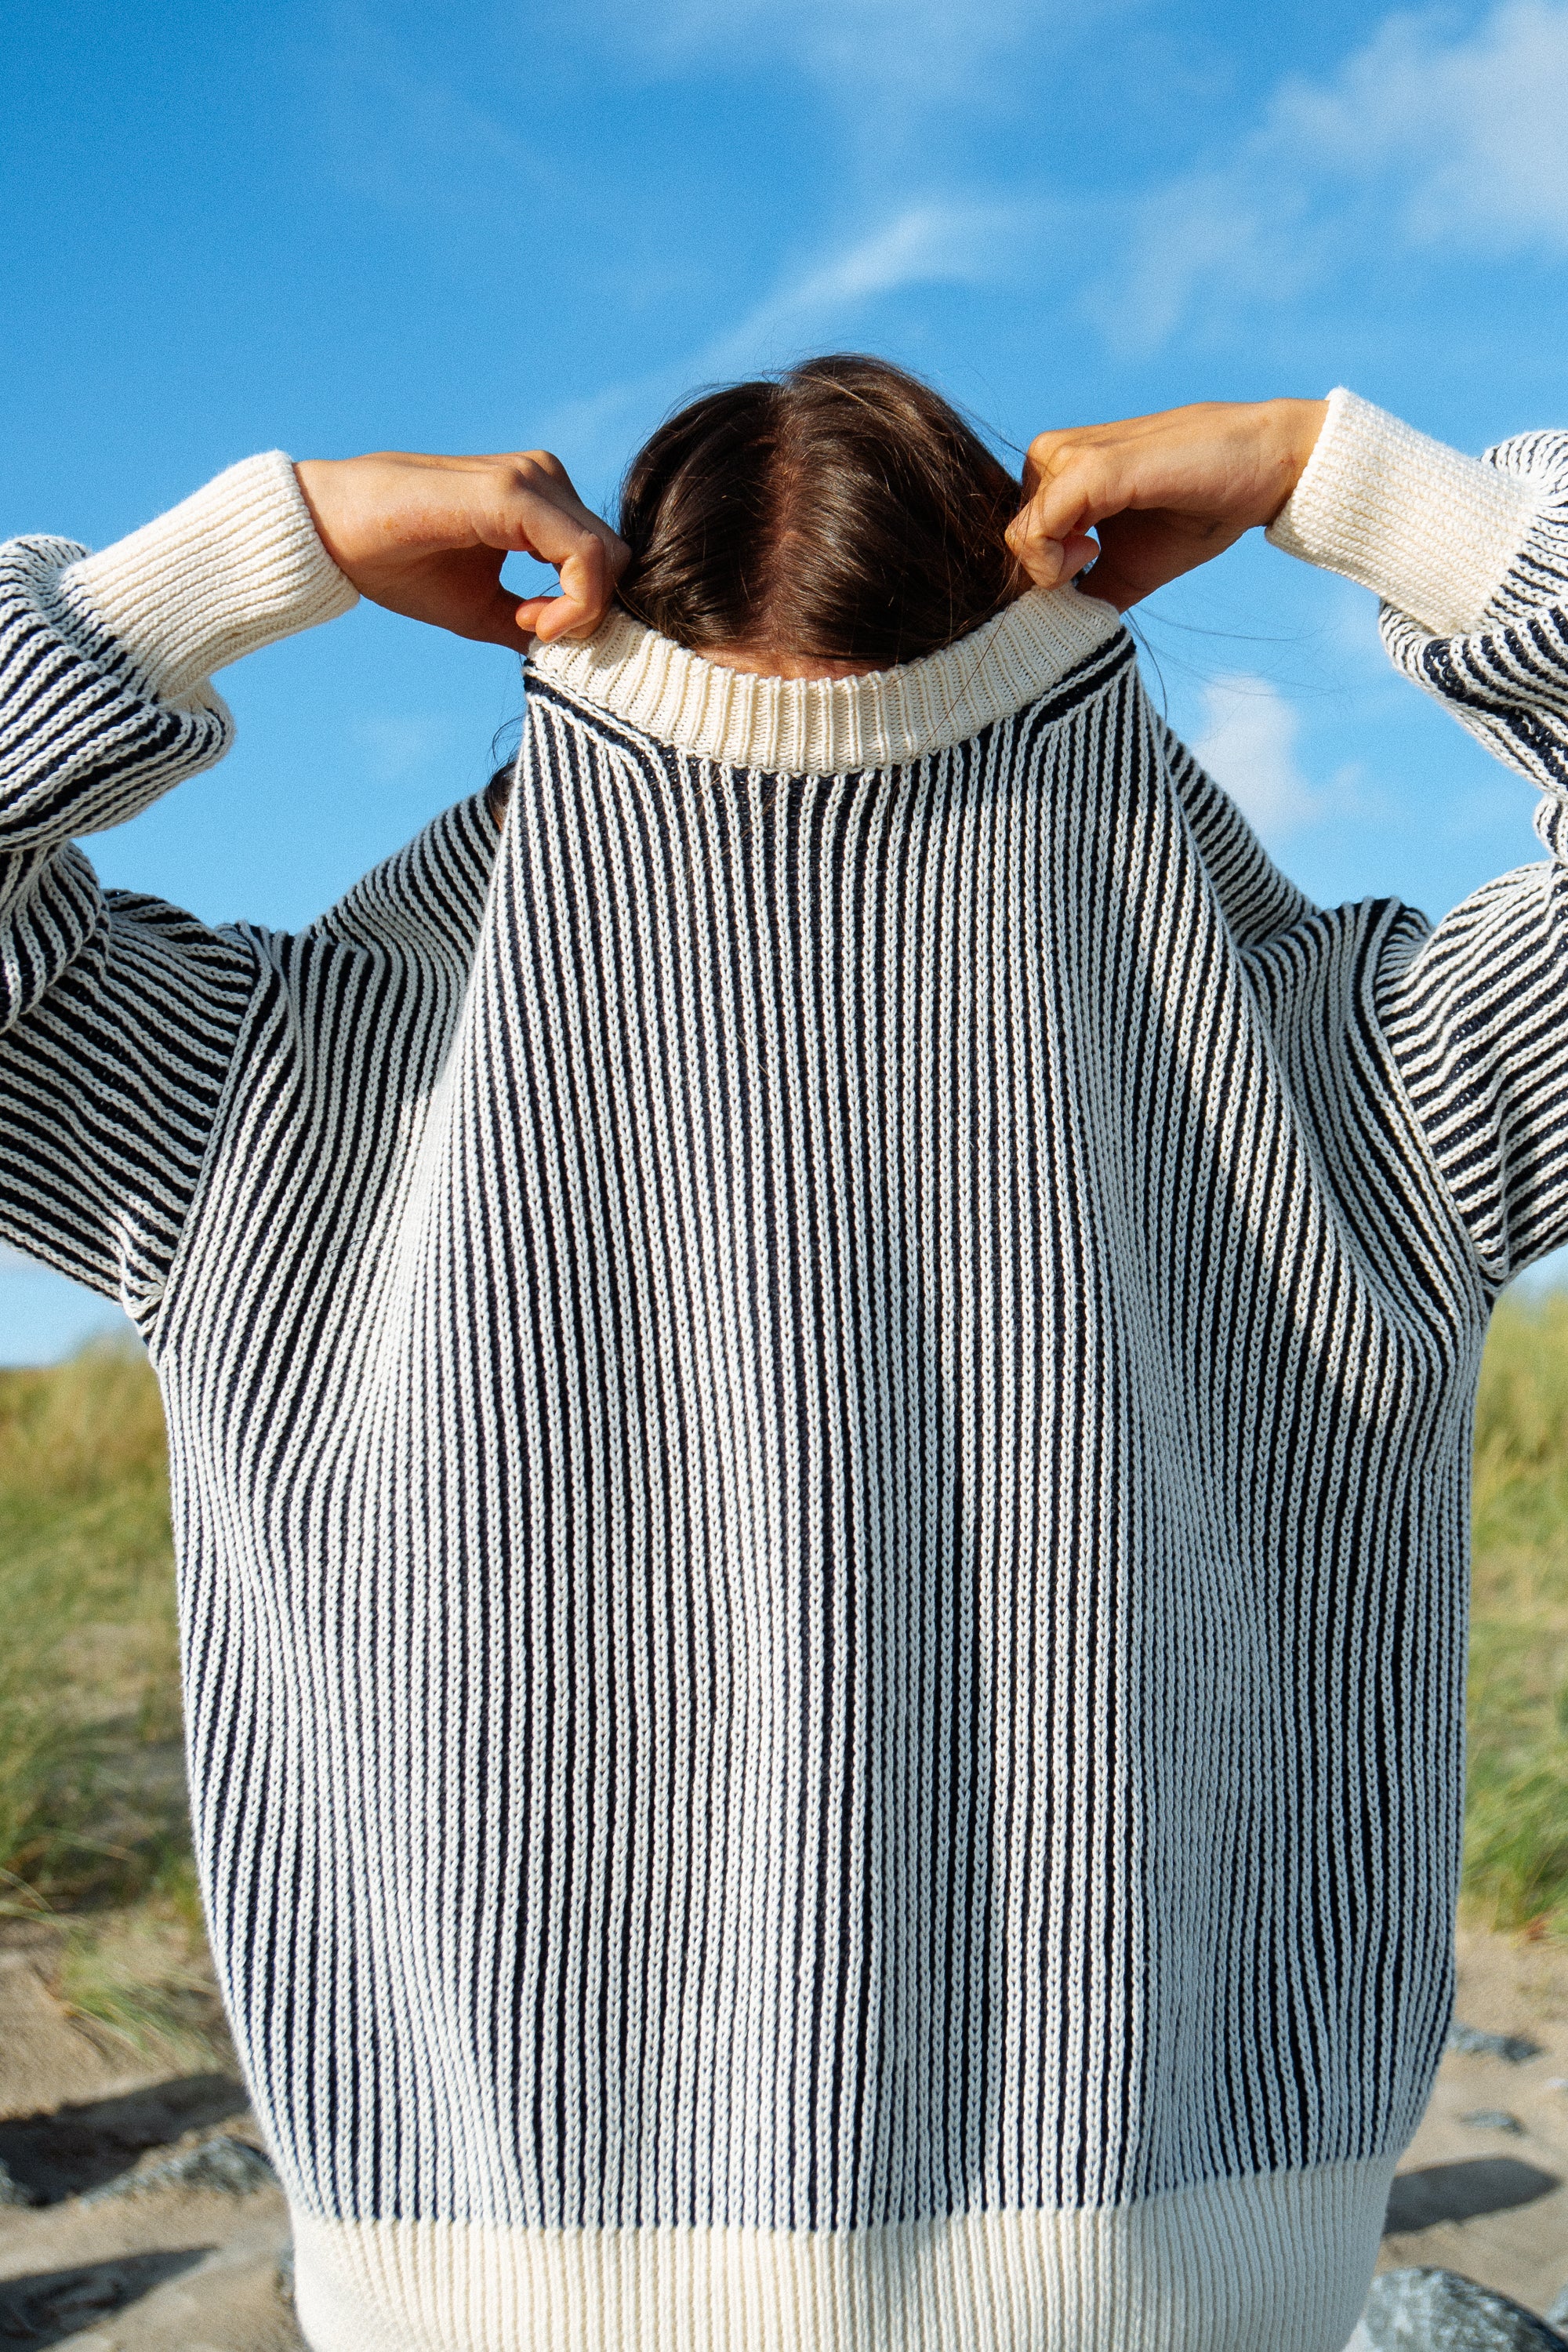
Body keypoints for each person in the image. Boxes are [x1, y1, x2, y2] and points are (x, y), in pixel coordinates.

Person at [2, 355, 1563, 2352]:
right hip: (1185, 2281)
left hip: (489, 2283)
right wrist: (1350, 486)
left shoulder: (278, 1104)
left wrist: (241, 557)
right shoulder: (1342, 1085)